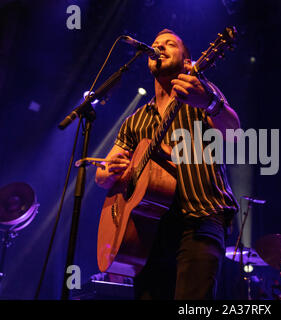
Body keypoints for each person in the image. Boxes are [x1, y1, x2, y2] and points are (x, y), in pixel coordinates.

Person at [95, 29, 240, 299]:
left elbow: (234, 136)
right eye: (155, 45)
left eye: (169, 44)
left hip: (201, 216)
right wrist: (106, 173)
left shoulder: (201, 93)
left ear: (188, 62)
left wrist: (209, 103)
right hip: (146, 229)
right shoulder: (134, 120)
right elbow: (104, 172)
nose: (159, 48)